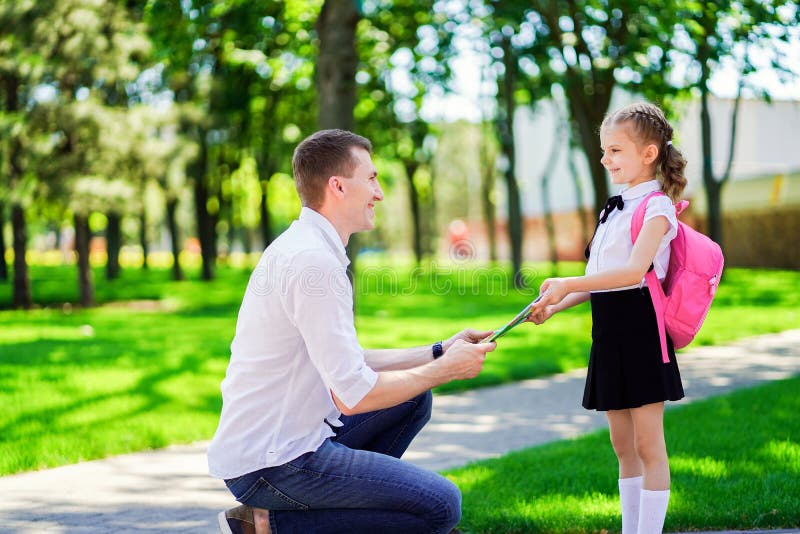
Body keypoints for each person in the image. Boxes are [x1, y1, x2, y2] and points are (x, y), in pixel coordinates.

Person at [207, 129, 497, 534]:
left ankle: (339, 507)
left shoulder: (307, 247)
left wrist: (438, 350)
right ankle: (267, 525)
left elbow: (348, 362)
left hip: (289, 439)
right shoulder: (313, 262)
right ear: (338, 186)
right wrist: (447, 369)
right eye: (372, 179)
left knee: (413, 401)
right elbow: (354, 394)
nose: (379, 193)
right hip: (273, 462)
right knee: (441, 505)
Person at [527, 102, 687, 534]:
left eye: (615, 151)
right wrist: (555, 303)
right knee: (621, 444)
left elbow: (633, 273)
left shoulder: (656, 208)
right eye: (604, 151)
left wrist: (566, 282)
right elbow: (598, 279)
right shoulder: (612, 208)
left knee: (648, 443)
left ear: (649, 154)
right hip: (609, 332)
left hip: (640, 331)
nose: (606, 159)